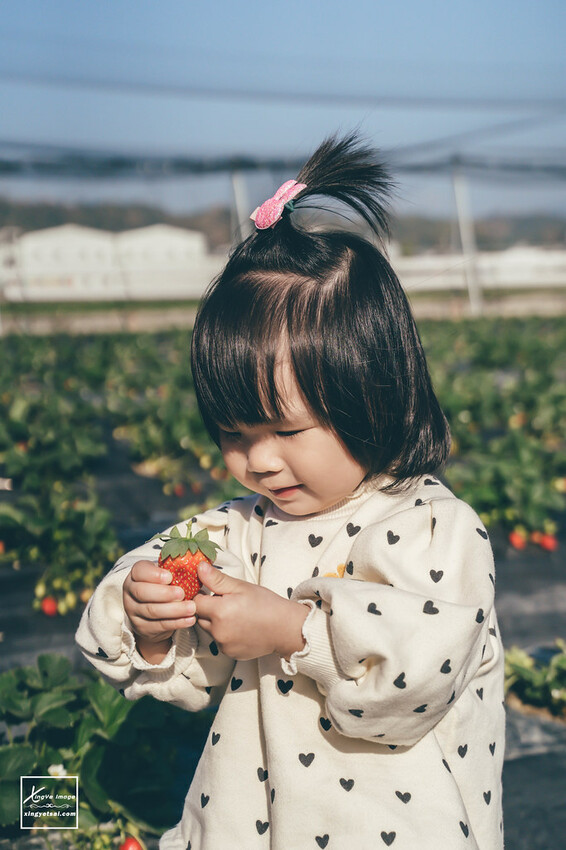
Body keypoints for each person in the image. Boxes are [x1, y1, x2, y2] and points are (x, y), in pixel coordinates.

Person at [76, 133, 505, 850]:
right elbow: (186, 670)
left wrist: (292, 631)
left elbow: (416, 681)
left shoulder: (434, 528)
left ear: (373, 396)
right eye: (234, 433)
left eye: (284, 430)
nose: (259, 462)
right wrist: (148, 620)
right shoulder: (236, 532)